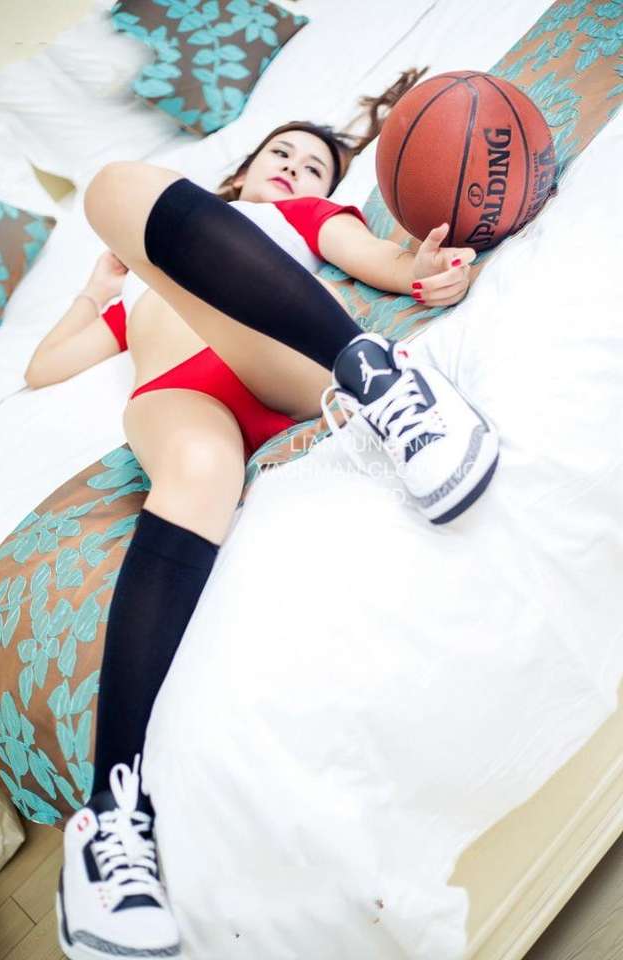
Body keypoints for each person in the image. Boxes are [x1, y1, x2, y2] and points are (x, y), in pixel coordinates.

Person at [27, 72, 497, 960]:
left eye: (314, 166)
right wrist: (98, 287)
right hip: (180, 398)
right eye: (280, 153)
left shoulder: (302, 222)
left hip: (281, 361)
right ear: (240, 170)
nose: (293, 169)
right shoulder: (142, 280)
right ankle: (112, 818)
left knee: (126, 195)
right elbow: (44, 369)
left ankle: (379, 379)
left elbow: (386, 264)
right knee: (115, 193)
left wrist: (428, 273)